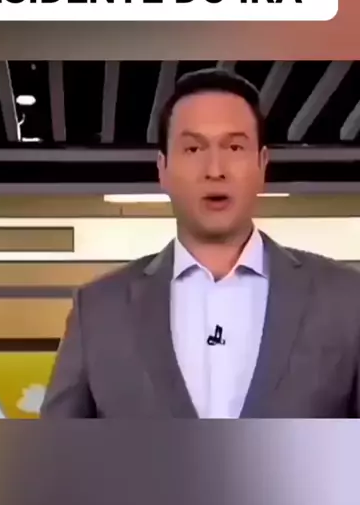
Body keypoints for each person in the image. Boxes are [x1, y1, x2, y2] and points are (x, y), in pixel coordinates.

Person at [41, 68, 360, 418]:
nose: (215, 169)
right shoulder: (98, 310)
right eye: (193, 148)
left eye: (234, 147)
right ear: (162, 168)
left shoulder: (346, 299)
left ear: (262, 164)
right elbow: (58, 450)